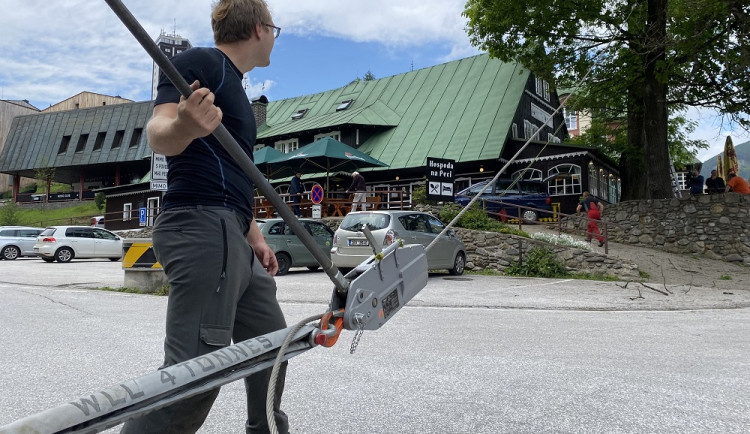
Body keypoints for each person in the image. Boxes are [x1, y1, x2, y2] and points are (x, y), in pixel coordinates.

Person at [120, 1, 289, 433]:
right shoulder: (202, 62)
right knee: (195, 375)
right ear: (258, 28)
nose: (275, 38)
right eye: (275, 29)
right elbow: (158, 132)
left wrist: (255, 237)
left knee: (272, 346)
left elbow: (234, 175)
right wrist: (185, 125)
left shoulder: (237, 89)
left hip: (230, 228)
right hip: (199, 224)